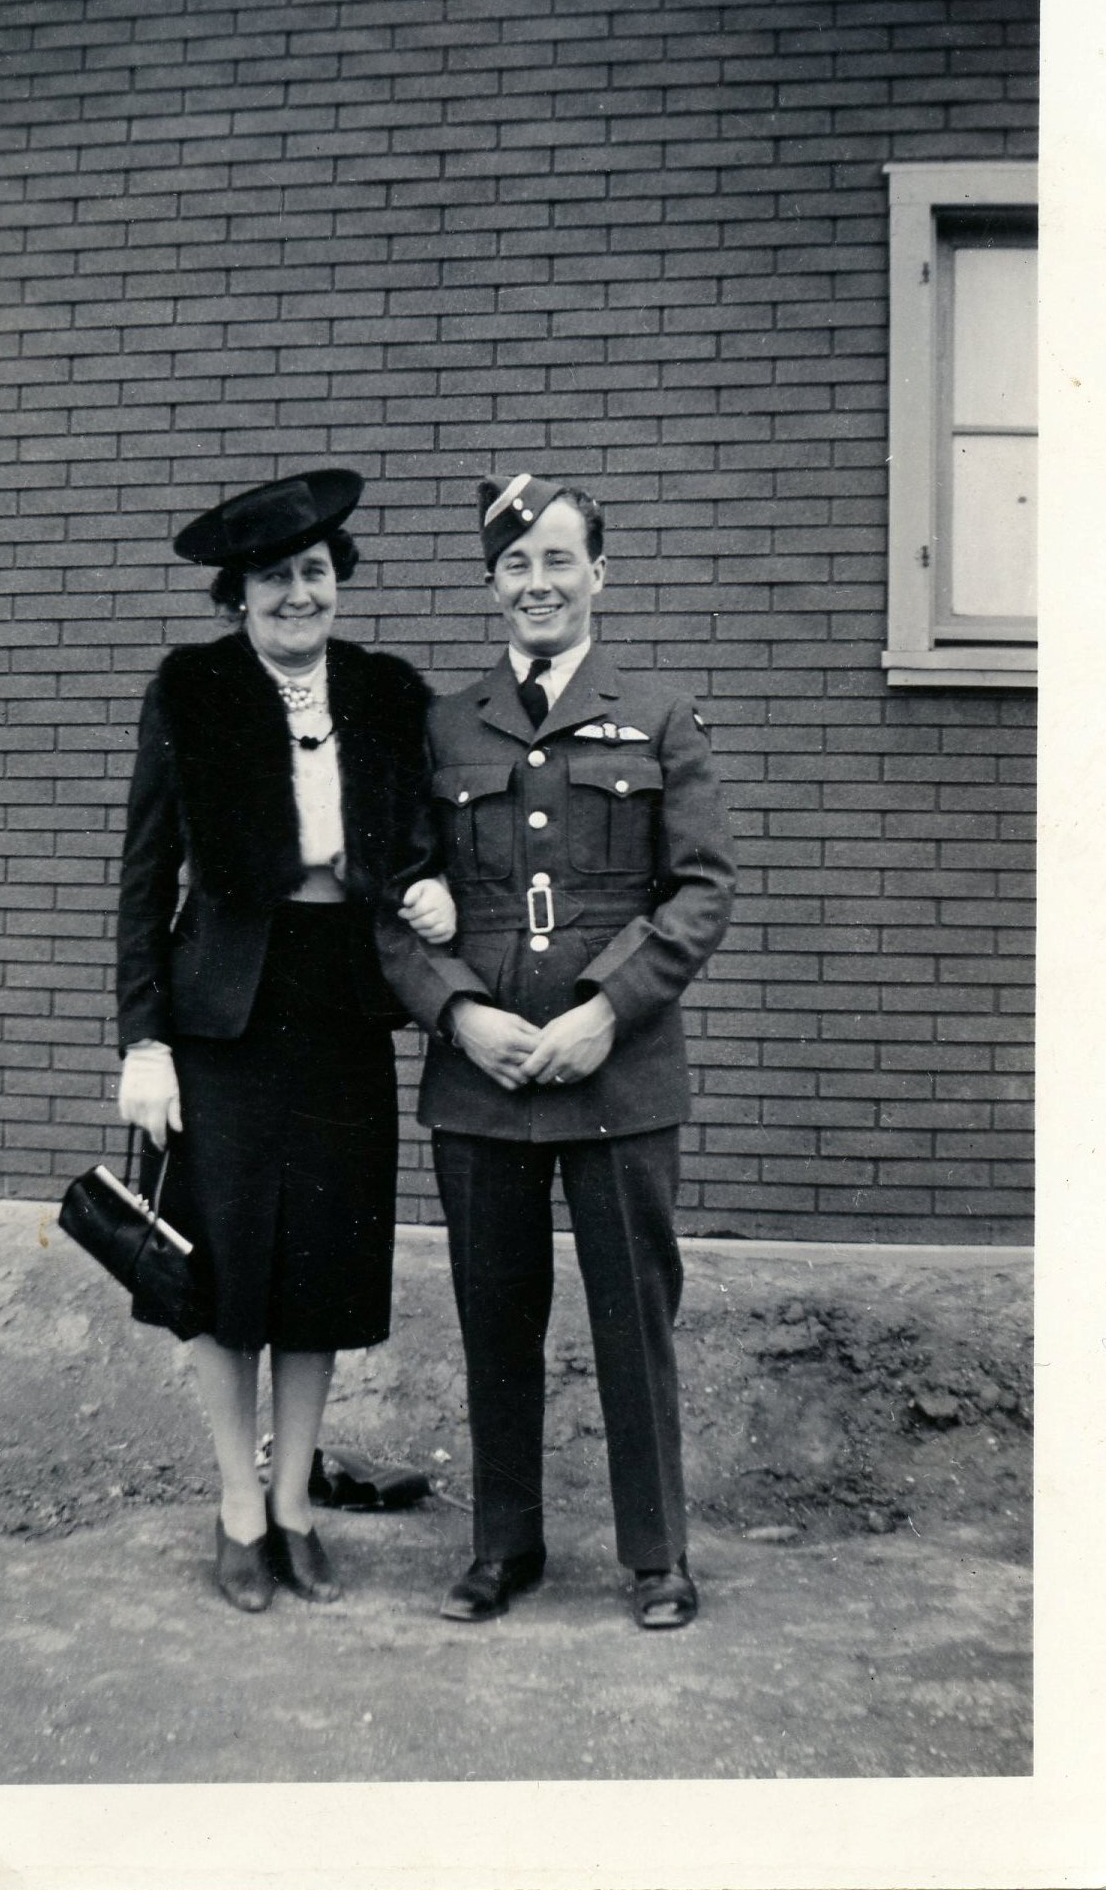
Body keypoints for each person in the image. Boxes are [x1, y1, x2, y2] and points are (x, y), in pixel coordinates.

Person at [378, 471, 736, 1631]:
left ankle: (657, 1556)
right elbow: (395, 902)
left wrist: (604, 1010)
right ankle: (502, 1546)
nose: (538, 582)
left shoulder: (659, 715)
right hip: (481, 1078)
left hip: (616, 1072)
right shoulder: (443, 725)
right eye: (515, 564)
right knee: (494, 1318)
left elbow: (699, 888)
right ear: (492, 583)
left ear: (598, 573)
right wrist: (458, 1013)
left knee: (632, 1316)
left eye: (558, 560)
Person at [115, 467, 455, 1614]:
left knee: (319, 1263)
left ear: (337, 580)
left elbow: (422, 841)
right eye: (272, 577)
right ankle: (237, 1506)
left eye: (314, 571)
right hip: (222, 1013)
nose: (297, 593)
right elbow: (144, 872)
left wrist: (430, 889)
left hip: (344, 1004)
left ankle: (297, 1501)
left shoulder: (386, 691)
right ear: (236, 595)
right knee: (221, 1268)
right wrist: (143, 1039)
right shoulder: (192, 688)